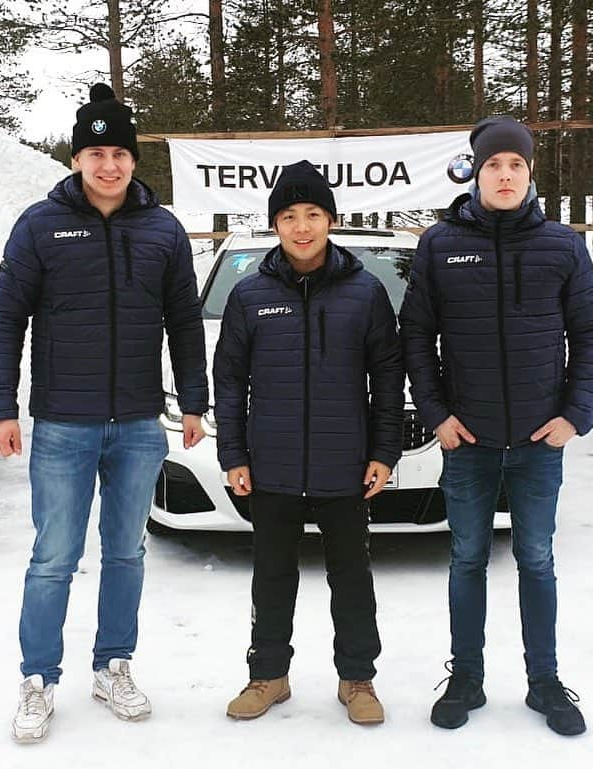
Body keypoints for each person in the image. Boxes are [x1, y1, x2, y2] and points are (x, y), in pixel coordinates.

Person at [0, 83, 207, 744]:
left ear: (134, 160)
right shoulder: (40, 225)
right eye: (95, 152)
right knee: (53, 555)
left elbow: (185, 321)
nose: (108, 164)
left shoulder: (162, 228)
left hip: (137, 422)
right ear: (77, 158)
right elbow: (5, 321)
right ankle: (37, 678)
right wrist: (1, 408)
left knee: (126, 551)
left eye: (119, 152)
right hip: (63, 423)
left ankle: (113, 664)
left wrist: (191, 398)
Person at [399, 116, 593, 736]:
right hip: (470, 442)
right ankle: (466, 676)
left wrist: (576, 413)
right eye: (494, 164)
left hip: (541, 443)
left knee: (536, 559)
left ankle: (543, 680)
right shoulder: (440, 245)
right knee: (466, 559)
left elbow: (589, 333)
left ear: (531, 172)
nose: (506, 174)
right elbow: (416, 336)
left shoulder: (563, 246)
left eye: (516, 164)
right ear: (476, 171)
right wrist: (438, 414)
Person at [212, 160, 404, 725]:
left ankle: (358, 680)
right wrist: (234, 455)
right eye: (290, 216)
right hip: (270, 467)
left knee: (352, 578)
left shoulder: (365, 293)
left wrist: (384, 451)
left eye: (313, 214)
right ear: (275, 224)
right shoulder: (250, 296)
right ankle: (268, 676)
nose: (302, 227)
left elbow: (388, 375)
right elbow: (229, 380)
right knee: (271, 576)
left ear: (331, 220)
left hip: (344, 465)